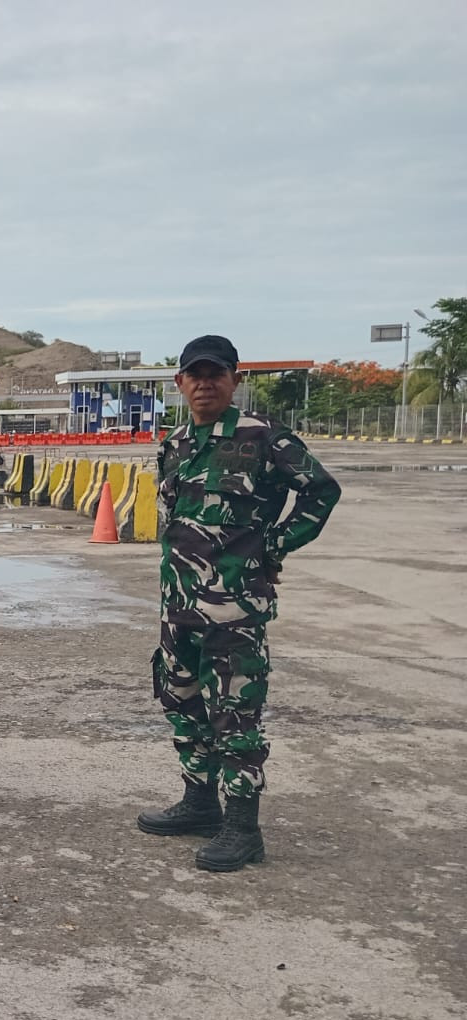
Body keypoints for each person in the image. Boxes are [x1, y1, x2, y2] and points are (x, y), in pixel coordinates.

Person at [139, 335, 341, 871]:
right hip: (178, 604)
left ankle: (242, 828)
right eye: (194, 374)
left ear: (234, 380)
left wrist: (274, 544)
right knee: (180, 700)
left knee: (235, 715)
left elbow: (321, 490)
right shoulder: (177, 441)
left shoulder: (264, 436)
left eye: (216, 373)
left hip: (233, 611)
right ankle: (200, 802)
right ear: (180, 383)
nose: (205, 383)